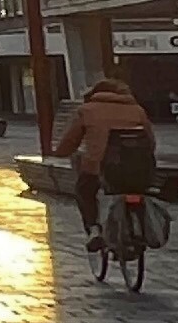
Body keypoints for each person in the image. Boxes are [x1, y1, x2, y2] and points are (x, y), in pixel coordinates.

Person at [52, 76, 158, 239]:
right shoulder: (137, 110)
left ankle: (94, 228)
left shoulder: (87, 110)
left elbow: (70, 141)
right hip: (139, 168)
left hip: (101, 168)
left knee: (85, 190)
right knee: (137, 189)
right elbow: (150, 141)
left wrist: (61, 152)